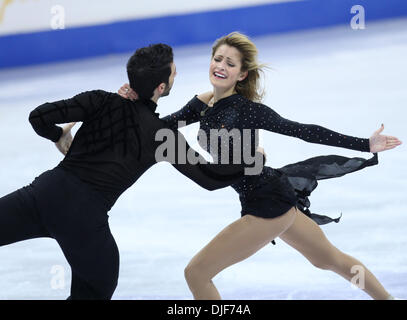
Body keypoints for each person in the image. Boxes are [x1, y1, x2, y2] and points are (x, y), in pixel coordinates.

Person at [119, 32, 402, 300]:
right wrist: (133, 102)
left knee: (196, 273)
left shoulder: (247, 110)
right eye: (217, 59)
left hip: (266, 205)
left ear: (242, 74)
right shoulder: (204, 102)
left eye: (230, 63)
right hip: (275, 196)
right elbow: (160, 126)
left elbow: (302, 130)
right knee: (328, 260)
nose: (220, 66)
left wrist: (365, 144)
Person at [0, 44, 250, 300]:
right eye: (173, 73)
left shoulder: (100, 100)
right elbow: (209, 178)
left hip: (43, 194)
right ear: (161, 88)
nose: (176, 74)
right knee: (97, 287)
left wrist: (59, 135)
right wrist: (250, 162)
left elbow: (38, 117)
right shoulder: (161, 136)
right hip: (84, 219)